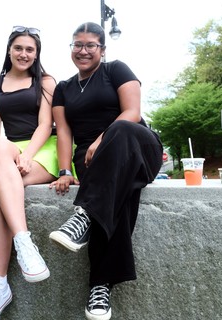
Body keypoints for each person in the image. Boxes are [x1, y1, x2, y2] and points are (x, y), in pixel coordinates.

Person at [48, 22, 163, 320]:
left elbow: (132, 113)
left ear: (102, 49)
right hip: (92, 162)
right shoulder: (63, 89)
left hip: (136, 147)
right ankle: (100, 287)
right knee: (118, 196)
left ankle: (84, 215)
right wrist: (63, 170)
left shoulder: (116, 70)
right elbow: (63, 134)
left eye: (90, 45)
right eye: (77, 44)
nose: (83, 50)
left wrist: (102, 139)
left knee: (123, 129)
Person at [0, 26, 58, 320]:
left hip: (43, 148)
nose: (24, 54)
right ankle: (23, 244)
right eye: (19, 48)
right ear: (9, 50)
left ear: (37, 53)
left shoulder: (45, 81)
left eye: (30, 49)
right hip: (7, 150)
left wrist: (28, 156)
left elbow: (45, 125)